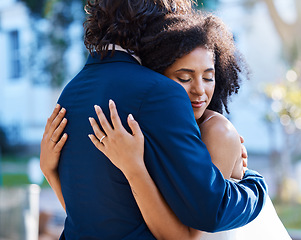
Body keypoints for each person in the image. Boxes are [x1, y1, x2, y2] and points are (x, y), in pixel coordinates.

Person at [40, 1, 268, 239]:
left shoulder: (70, 92)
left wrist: (50, 172)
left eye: (207, 77)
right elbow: (210, 212)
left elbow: (90, 216)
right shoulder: (160, 92)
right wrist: (256, 184)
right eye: (184, 77)